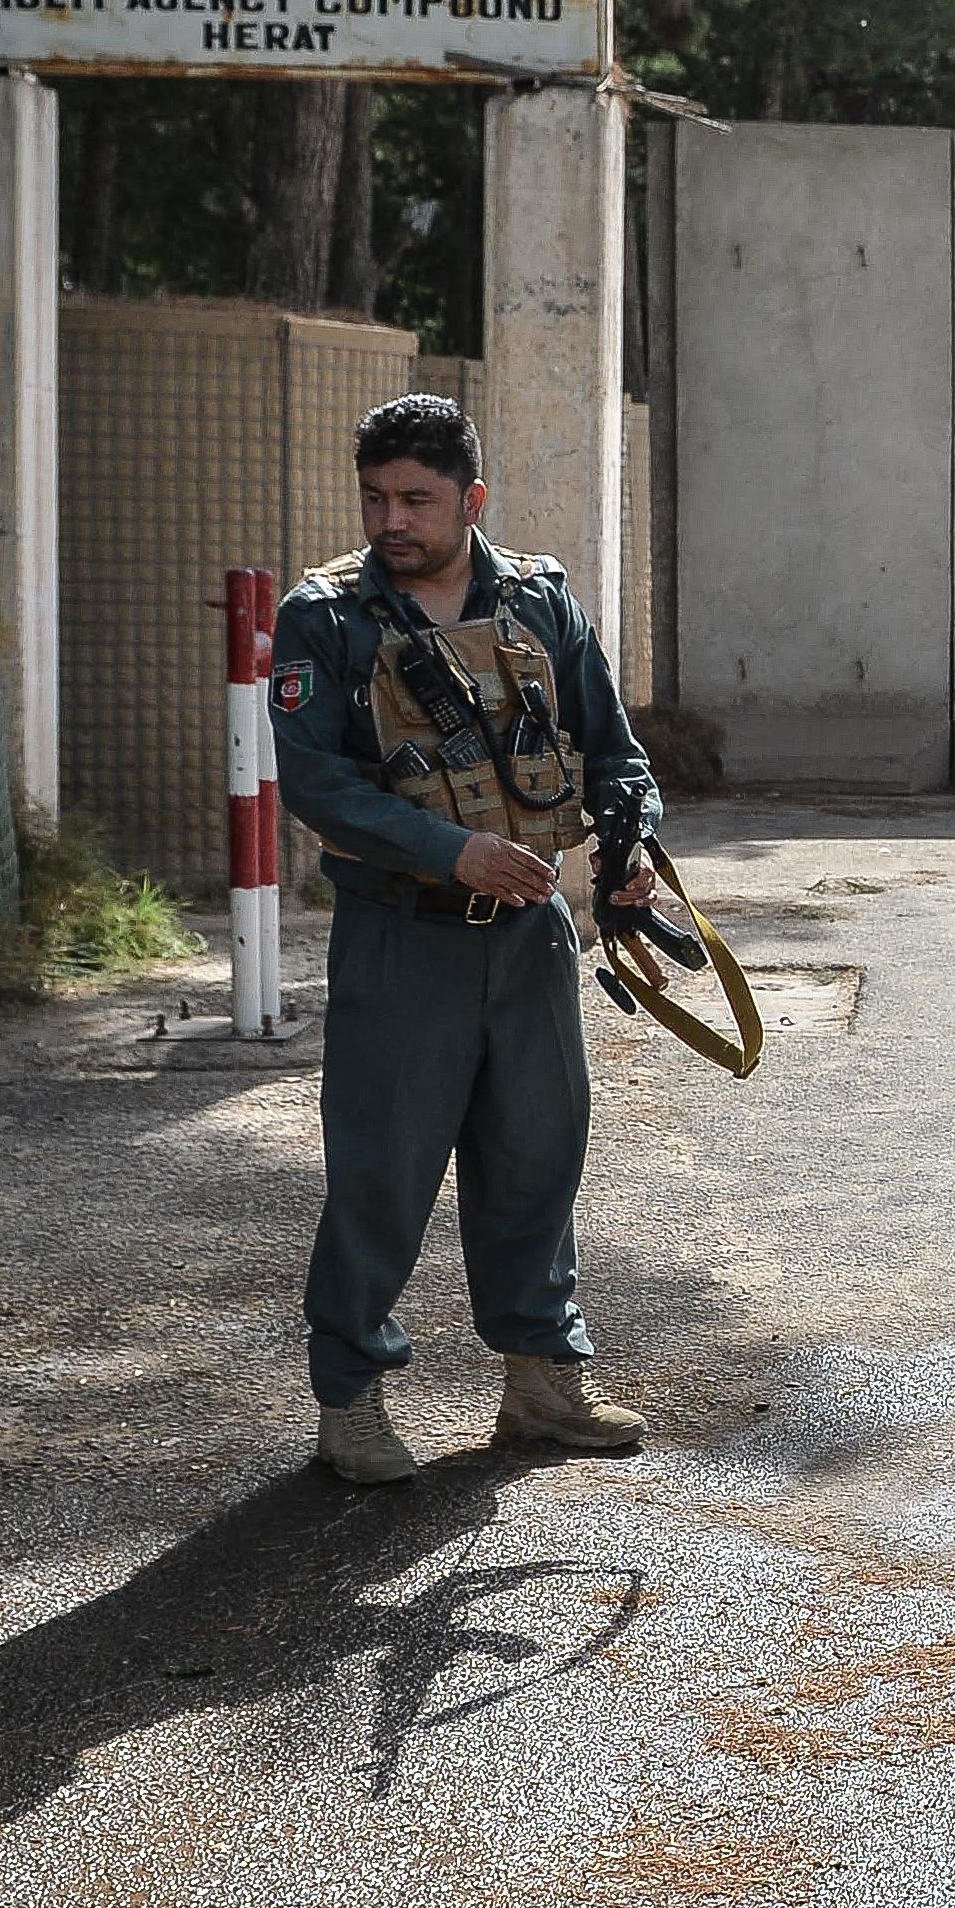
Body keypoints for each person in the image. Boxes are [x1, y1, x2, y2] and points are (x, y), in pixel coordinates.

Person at [269, 393, 663, 1487]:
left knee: (537, 1156)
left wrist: (631, 844)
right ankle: (349, 1397)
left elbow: (614, 749)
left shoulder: (539, 597)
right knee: (383, 1172)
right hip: (405, 938)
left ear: (470, 498)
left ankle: (541, 1380)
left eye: (417, 498)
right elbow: (318, 781)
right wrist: (451, 852)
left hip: (529, 939)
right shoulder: (327, 617)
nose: (392, 519)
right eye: (375, 498)